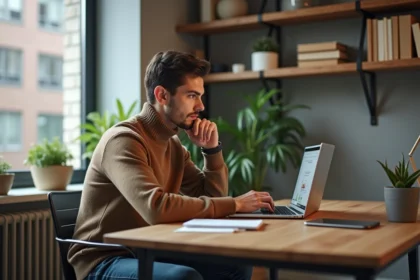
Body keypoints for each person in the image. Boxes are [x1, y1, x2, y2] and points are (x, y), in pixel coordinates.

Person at [68, 50, 275, 280]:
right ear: (162, 95)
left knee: (235, 264)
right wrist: (235, 204)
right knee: (182, 278)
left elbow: (210, 196)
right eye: (192, 96)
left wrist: (212, 150)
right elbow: (156, 208)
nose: (201, 106)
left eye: (200, 96)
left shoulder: (173, 144)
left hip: (148, 251)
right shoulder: (124, 140)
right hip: (104, 260)